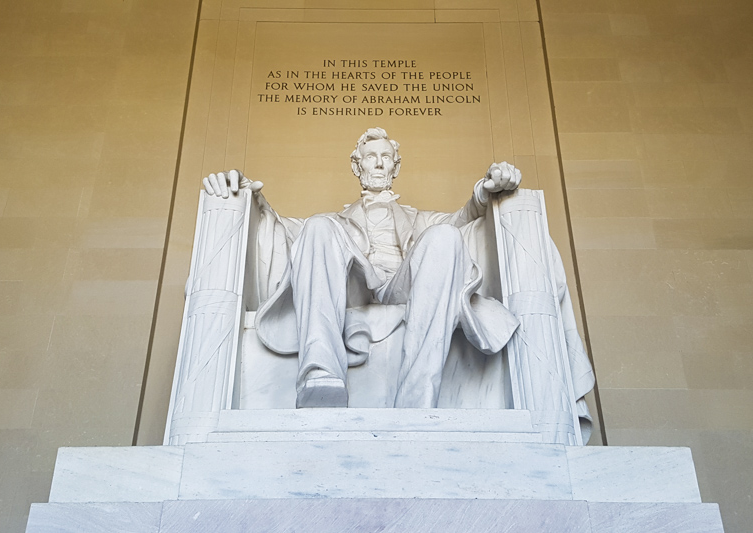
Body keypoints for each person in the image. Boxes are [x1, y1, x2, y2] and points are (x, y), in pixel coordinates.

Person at [203, 127, 521, 408]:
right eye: (371, 157)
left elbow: (463, 219)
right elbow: (279, 229)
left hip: (403, 285)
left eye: (386, 157)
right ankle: (321, 373)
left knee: (446, 236)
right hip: (354, 286)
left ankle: (417, 394)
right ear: (357, 166)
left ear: (396, 167)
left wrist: (484, 191)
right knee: (318, 225)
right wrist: (249, 196)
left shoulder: (420, 219)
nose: (379, 163)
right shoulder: (335, 224)